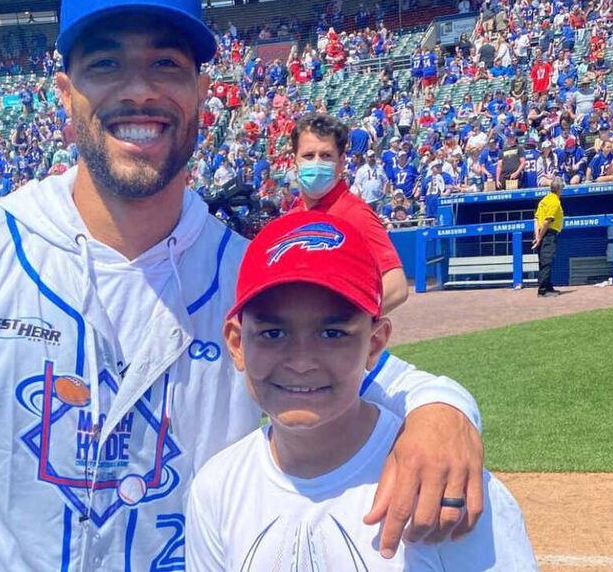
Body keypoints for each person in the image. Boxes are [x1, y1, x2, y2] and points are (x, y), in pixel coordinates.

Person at [0, 0, 485, 570]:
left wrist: (446, 411)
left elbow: (366, 369)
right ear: (66, 93)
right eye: (106, 64)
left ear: (202, 90)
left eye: (167, 64)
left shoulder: (246, 273)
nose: (140, 90)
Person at [186, 211, 536, 570]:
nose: (302, 361)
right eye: (273, 333)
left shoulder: (442, 481)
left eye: (333, 333)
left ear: (374, 343)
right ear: (236, 343)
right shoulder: (217, 488)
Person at [290, 113, 408, 314]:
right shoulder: (292, 217)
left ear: (341, 162)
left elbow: (396, 287)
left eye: (326, 156)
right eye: (309, 156)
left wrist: (340, 323)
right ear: (295, 162)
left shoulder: (354, 213)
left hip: (330, 342)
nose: (317, 163)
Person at [533, 178, 564, 297]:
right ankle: (543, 290)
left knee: (544, 261)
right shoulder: (555, 202)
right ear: (559, 189)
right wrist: (540, 238)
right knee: (547, 261)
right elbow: (547, 222)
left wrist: (537, 236)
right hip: (548, 234)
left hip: (541, 233)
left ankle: (548, 287)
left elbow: (536, 219)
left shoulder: (544, 200)